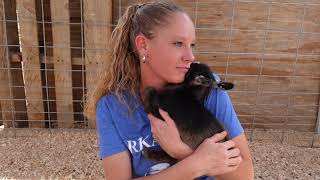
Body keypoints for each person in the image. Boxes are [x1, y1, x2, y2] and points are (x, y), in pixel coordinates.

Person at [84, 1, 254, 179]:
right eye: (178, 43)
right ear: (143, 45)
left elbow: (245, 174)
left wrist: (182, 151)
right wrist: (196, 164)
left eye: (192, 45)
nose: (190, 56)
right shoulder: (112, 106)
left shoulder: (204, 86)